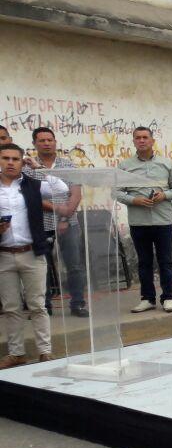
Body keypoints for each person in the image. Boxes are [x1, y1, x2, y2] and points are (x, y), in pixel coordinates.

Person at [0, 143, 68, 368]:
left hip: (32, 252)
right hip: (4, 255)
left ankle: (45, 351)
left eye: (15, 159)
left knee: (38, 305)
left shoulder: (33, 184)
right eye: (5, 158)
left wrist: (38, 167)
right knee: (11, 307)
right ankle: (16, 353)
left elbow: (61, 190)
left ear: (22, 162)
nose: (10, 162)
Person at [115, 127, 172, 313]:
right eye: (138, 138)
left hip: (163, 222)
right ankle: (147, 298)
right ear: (134, 141)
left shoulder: (166, 164)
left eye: (145, 137)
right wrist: (134, 200)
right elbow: (117, 192)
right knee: (144, 262)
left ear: (152, 141)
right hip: (139, 223)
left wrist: (165, 195)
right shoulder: (124, 166)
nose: (142, 140)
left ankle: (168, 298)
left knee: (165, 262)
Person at [22, 126, 88, 317]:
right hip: (40, 225)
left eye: (50, 140)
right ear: (34, 143)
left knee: (74, 266)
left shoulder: (68, 166)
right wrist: (59, 210)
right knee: (41, 268)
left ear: (55, 142)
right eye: (42, 140)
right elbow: (32, 196)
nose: (46, 143)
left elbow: (75, 194)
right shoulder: (28, 168)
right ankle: (45, 308)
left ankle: (78, 304)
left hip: (70, 224)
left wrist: (65, 217)